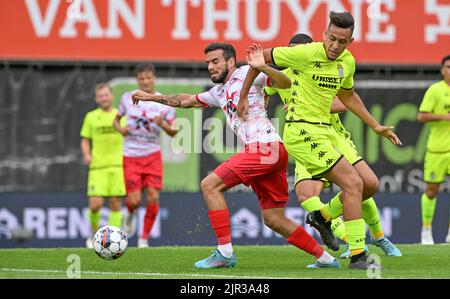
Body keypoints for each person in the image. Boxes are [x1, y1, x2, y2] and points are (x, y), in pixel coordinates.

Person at [131, 42, 341, 269]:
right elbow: (187, 100)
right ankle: (326, 259)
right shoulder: (218, 91)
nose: (210, 67)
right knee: (273, 219)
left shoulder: (246, 73)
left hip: (266, 147)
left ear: (231, 61)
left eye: (215, 61)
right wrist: (152, 97)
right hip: (270, 152)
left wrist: (263, 67)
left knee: (210, 185)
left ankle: (224, 252)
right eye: (207, 63)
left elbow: (285, 82)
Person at [239, 11, 402, 269]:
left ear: (351, 41)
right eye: (332, 39)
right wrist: (244, 95)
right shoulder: (304, 53)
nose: (336, 46)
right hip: (302, 131)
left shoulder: (347, 61)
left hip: (327, 131)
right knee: (351, 184)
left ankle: (323, 216)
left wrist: (375, 125)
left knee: (369, 184)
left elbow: (348, 96)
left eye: (343, 42)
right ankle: (359, 255)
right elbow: (260, 58)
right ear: (324, 34)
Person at [113, 63, 179, 248]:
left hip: (152, 155)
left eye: (148, 77)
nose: (145, 81)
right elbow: (116, 121)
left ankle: (144, 239)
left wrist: (163, 125)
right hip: (131, 155)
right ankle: (130, 213)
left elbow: (174, 131)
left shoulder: (162, 102)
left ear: (154, 78)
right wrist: (121, 130)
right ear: (137, 80)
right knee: (134, 200)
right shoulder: (128, 98)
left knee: (153, 197)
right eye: (142, 78)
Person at [80, 83, 125, 248]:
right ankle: (92, 233)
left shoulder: (120, 115)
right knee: (95, 204)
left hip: (118, 166)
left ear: (112, 96)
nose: (104, 98)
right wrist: (87, 154)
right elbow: (85, 139)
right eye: (101, 95)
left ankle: (114, 237)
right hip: (98, 167)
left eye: (106, 94)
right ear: (96, 99)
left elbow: (128, 135)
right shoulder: (91, 117)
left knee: (115, 203)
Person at [417, 54, 450, 245]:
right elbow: (421, 116)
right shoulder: (435, 90)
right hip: (437, 149)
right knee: (431, 190)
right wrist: (443, 117)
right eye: (448, 67)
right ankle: (426, 230)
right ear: (442, 70)